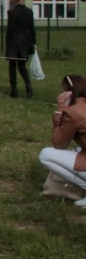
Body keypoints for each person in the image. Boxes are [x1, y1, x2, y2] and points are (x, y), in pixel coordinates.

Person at [38, 74, 86, 207]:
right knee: (77, 150)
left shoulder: (74, 112)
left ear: (68, 94)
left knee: (46, 155)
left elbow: (60, 144)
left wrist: (59, 111)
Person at [6, 0, 36, 99]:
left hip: (14, 41)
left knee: (12, 66)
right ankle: (29, 86)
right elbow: (32, 28)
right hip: (25, 41)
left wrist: (7, 42)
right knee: (22, 66)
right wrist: (33, 42)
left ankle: (14, 90)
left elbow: (10, 29)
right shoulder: (29, 12)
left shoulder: (12, 12)